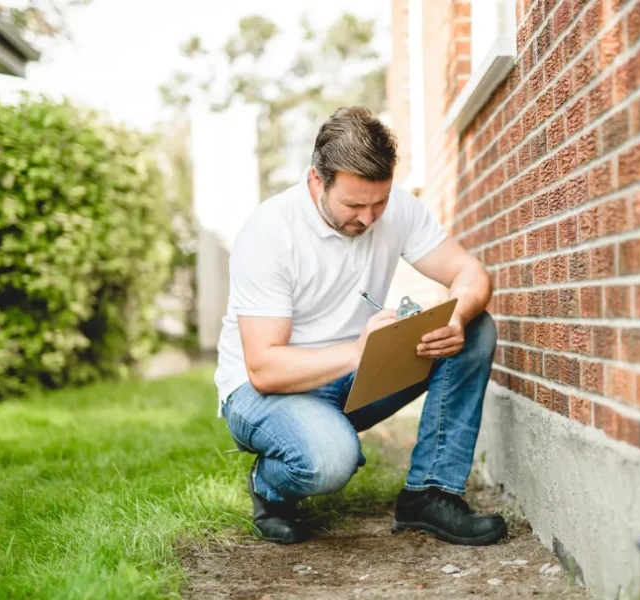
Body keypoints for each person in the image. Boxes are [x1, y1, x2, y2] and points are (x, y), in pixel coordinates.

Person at [214, 106, 507, 546]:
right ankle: (270, 487)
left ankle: (430, 494)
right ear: (317, 181)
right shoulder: (269, 233)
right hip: (264, 394)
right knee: (331, 460)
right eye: (353, 205)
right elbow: (264, 368)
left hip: (353, 376)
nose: (369, 219)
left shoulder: (397, 209)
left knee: (476, 330)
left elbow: (471, 274)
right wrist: (358, 351)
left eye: (379, 203)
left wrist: (458, 315)